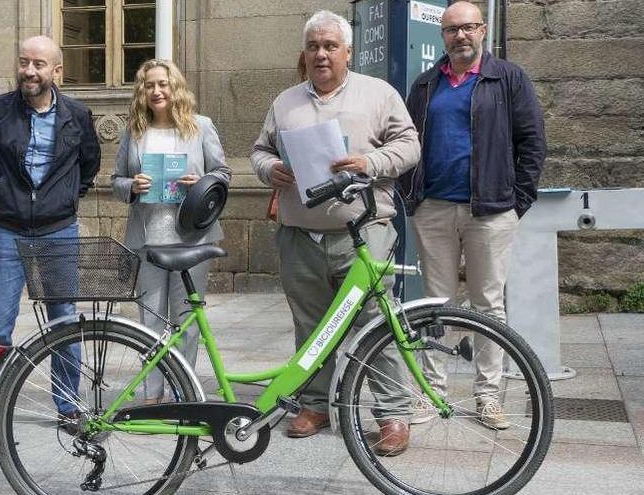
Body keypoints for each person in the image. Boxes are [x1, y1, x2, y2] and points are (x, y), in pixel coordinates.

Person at [251, 11, 420, 455]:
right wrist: (271, 169)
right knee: (311, 324)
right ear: (303, 53)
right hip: (300, 234)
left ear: (348, 52)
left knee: (375, 321)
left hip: (363, 231)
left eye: (330, 46)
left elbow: (410, 145)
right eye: (313, 46)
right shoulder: (284, 102)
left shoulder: (378, 94)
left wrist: (371, 163)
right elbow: (259, 151)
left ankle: (391, 414)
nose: (321, 54)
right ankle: (314, 404)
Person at [404, 1, 546, 428]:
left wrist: (517, 200)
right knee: (436, 306)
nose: (459, 36)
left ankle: (487, 395)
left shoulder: (508, 77)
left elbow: (532, 142)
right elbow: (408, 143)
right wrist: (413, 197)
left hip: (491, 210)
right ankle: (432, 394)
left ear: (482, 30)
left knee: (488, 305)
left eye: (467, 27)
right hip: (434, 209)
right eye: (451, 30)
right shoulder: (427, 83)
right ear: (442, 36)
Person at [0, 36, 101, 445]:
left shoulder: (78, 115)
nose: (29, 70)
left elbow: (89, 165)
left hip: (59, 230)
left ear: (56, 71)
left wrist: (58, 201)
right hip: (8, 231)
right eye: (24, 62)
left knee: (64, 320)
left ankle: (68, 406)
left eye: (39, 64)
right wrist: (6, 192)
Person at [111, 59, 231, 402]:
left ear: (174, 87)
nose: (156, 91)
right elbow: (114, 181)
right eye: (149, 85)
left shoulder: (200, 126)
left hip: (191, 237)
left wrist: (202, 182)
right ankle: (152, 391)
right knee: (149, 318)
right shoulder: (133, 132)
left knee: (186, 320)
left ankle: (184, 392)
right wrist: (132, 184)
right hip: (147, 238)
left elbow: (223, 174)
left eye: (162, 84)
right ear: (142, 91)